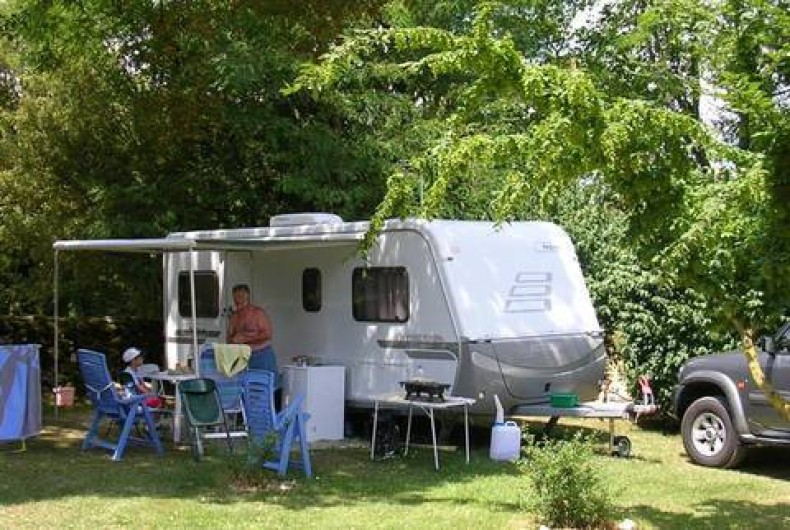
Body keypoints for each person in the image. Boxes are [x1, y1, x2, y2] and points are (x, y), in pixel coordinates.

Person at [227, 284, 278, 376]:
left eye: (241, 296)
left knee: (266, 384)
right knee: (247, 386)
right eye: (236, 297)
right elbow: (230, 337)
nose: (238, 299)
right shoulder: (234, 317)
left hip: (261, 355)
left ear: (247, 296)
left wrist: (246, 339)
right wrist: (233, 340)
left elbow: (267, 334)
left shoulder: (257, 313)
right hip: (243, 357)